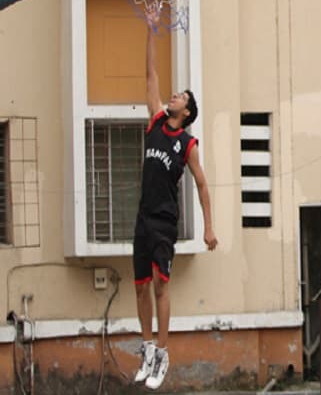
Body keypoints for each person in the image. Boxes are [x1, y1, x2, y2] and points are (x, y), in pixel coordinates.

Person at [133, 21, 217, 390]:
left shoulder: (187, 143)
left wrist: (208, 227)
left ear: (187, 111)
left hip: (165, 222)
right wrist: (152, 30)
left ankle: (163, 353)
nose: (173, 96)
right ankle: (148, 348)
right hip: (142, 217)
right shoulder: (154, 121)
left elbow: (201, 184)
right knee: (139, 286)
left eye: (181, 96)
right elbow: (149, 73)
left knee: (161, 287)